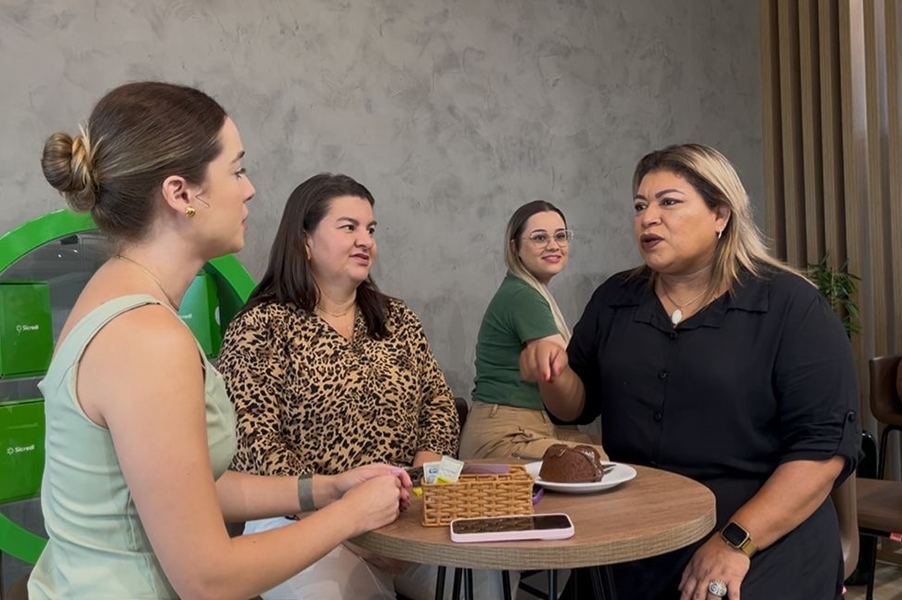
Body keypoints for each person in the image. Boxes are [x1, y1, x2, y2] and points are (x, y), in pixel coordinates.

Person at [32, 82, 411, 600]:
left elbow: (189, 489)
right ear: (180, 194)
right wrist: (351, 515)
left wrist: (326, 488)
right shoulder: (148, 341)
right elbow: (208, 579)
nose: (250, 189)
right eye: (236, 170)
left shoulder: (115, 298)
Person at [520, 144, 860, 600]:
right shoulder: (614, 299)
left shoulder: (791, 307)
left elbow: (821, 452)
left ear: (720, 214)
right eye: (640, 206)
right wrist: (554, 373)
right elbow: (575, 407)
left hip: (762, 531)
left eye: (669, 202)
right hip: (642, 531)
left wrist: (734, 542)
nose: (648, 217)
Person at [217, 173, 508, 599]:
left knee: (489, 578)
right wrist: (350, 521)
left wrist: (425, 483)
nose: (365, 241)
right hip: (298, 521)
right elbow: (256, 447)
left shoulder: (397, 318)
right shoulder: (260, 327)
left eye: (370, 229)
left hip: (405, 517)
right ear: (305, 241)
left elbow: (439, 406)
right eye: (348, 227)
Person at [459, 200, 606, 461]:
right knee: (602, 460)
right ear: (515, 247)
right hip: (505, 434)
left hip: (529, 426)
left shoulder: (528, 290)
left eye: (560, 236)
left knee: (620, 450)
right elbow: (562, 377)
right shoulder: (523, 296)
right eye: (539, 238)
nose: (553, 245)